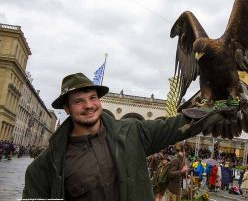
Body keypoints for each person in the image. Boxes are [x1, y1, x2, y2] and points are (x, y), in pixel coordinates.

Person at [22, 73, 229, 200]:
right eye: (79, 101)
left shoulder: (132, 133)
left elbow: (178, 125)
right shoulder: (45, 166)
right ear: (66, 109)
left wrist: (224, 105)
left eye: (93, 97)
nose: (89, 106)